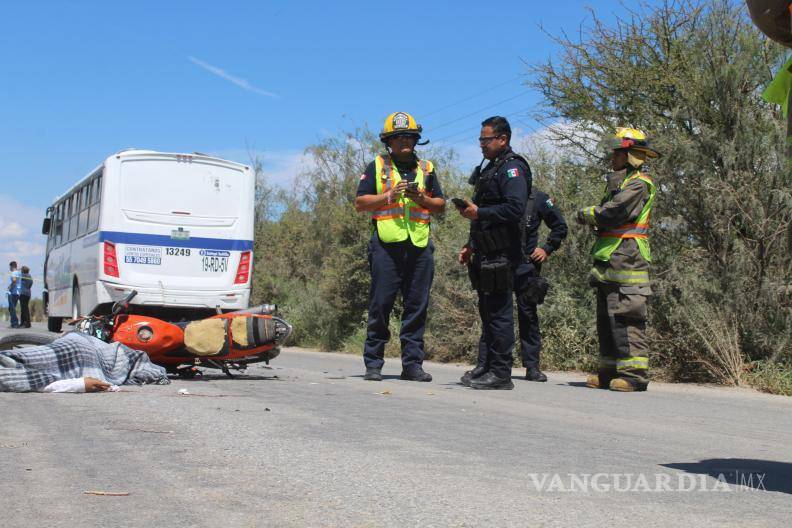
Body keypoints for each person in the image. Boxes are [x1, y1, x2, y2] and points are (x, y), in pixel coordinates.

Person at [354, 112, 446, 382]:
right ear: (388, 141)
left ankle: (412, 365)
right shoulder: (377, 166)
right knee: (380, 305)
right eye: (398, 137)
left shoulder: (427, 169)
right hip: (386, 245)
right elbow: (360, 203)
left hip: (419, 245)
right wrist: (388, 195)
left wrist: (422, 199)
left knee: (417, 307)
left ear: (416, 139)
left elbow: (440, 206)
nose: (404, 141)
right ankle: (373, 363)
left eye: (409, 136)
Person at [576, 127, 659, 392]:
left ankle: (634, 375)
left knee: (627, 316)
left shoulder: (639, 184)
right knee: (607, 318)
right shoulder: (620, 182)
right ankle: (608, 371)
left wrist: (587, 213)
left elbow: (614, 213)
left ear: (630, 155)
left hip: (628, 258)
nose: (612, 157)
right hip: (609, 259)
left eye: (617, 152)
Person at [456, 116, 532, 390]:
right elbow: (483, 215)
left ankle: (501, 373)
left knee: (499, 314)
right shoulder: (492, 168)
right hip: (485, 252)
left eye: (486, 140)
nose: (482, 145)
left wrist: (480, 212)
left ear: (503, 139)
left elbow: (515, 208)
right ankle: (485, 366)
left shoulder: (513, 169)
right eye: (480, 140)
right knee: (488, 312)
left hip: (503, 252)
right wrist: (470, 244)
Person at [516, 189, 568, 381]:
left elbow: (560, 227)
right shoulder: (500, 194)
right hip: (500, 265)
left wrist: (547, 248)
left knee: (528, 316)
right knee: (494, 315)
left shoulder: (538, 199)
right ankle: (488, 364)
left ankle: (532, 366)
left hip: (527, 266)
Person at [7, 261, 20, 328]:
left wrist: (10, 286)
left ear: (12, 266)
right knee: (12, 308)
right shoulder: (18, 273)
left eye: (10, 267)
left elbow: (14, 280)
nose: (9, 268)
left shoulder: (13, 273)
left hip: (13, 292)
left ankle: (15, 323)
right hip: (18, 292)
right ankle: (13, 322)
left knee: (11, 308)